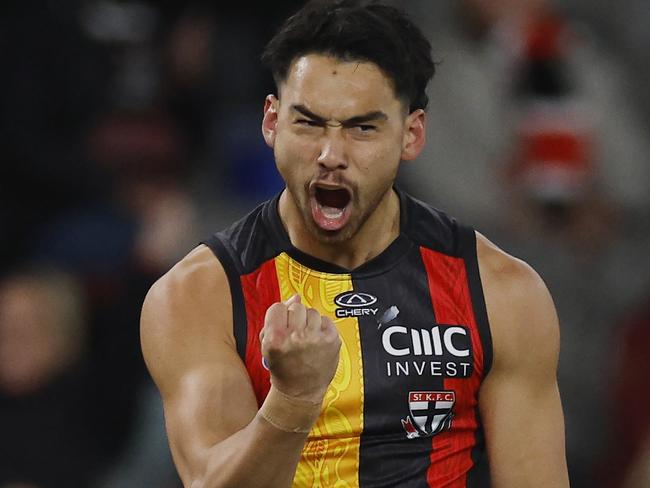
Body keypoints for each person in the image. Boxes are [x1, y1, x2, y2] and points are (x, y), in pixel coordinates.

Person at [140, 1, 570, 486]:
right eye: (308, 123)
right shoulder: (200, 295)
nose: (330, 155)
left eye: (362, 128)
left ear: (411, 135)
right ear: (271, 123)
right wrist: (295, 399)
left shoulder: (500, 292)